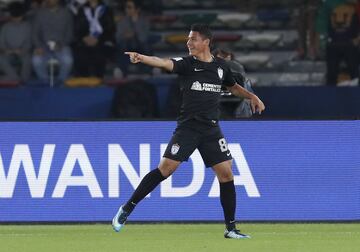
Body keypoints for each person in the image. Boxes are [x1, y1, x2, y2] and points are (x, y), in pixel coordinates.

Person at [112, 24, 265, 239]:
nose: (188, 43)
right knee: (165, 170)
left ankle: (230, 229)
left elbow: (232, 87)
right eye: (188, 39)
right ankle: (127, 208)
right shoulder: (187, 65)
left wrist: (252, 97)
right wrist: (142, 57)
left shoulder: (222, 67)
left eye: (193, 39)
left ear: (206, 42)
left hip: (211, 129)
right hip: (189, 127)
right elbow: (165, 62)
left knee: (226, 173)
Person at [32, 0, 74, 85]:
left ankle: (61, 80)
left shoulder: (66, 13)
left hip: (61, 45)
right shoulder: (40, 13)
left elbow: (70, 33)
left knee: (68, 60)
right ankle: (45, 80)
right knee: (36, 60)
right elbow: (34, 33)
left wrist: (62, 44)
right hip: (43, 45)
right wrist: (38, 46)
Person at [72, 0, 115, 78]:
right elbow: (77, 28)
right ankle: (83, 81)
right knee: (80, 53)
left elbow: (110, 29)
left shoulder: (106, 9)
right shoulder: (82, 10)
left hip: (102, 40)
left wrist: (98, 39)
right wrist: (84, 38)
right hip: (85, 41)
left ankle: (99, 81)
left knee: (100, 53)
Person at [115, 0, 151, 77]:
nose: (127, 9)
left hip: (140, 45)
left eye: (129, 7)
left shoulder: (144, 21)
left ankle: (147, 70)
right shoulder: (122, 21)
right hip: (126, 45)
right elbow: (118, 37)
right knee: (122, 45)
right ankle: (121, 70)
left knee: (145, 45)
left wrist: (134, 33)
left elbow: (144, 37)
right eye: (126, 7)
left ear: (137, 9)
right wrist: (125, 36)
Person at [0, 2, 32, 82]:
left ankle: (23, 79)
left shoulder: (27, 26)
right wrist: (6, 50)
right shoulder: (5, 27)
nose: (16, 19)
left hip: (22, 52)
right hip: (8, 52)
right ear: (11, 16)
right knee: (1, 58)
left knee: (28, 59)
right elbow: (1, 42)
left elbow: (29, 42)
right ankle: (16, 78)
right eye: (14, 17)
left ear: (22, 16)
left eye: (18, 17)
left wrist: (22, 50)